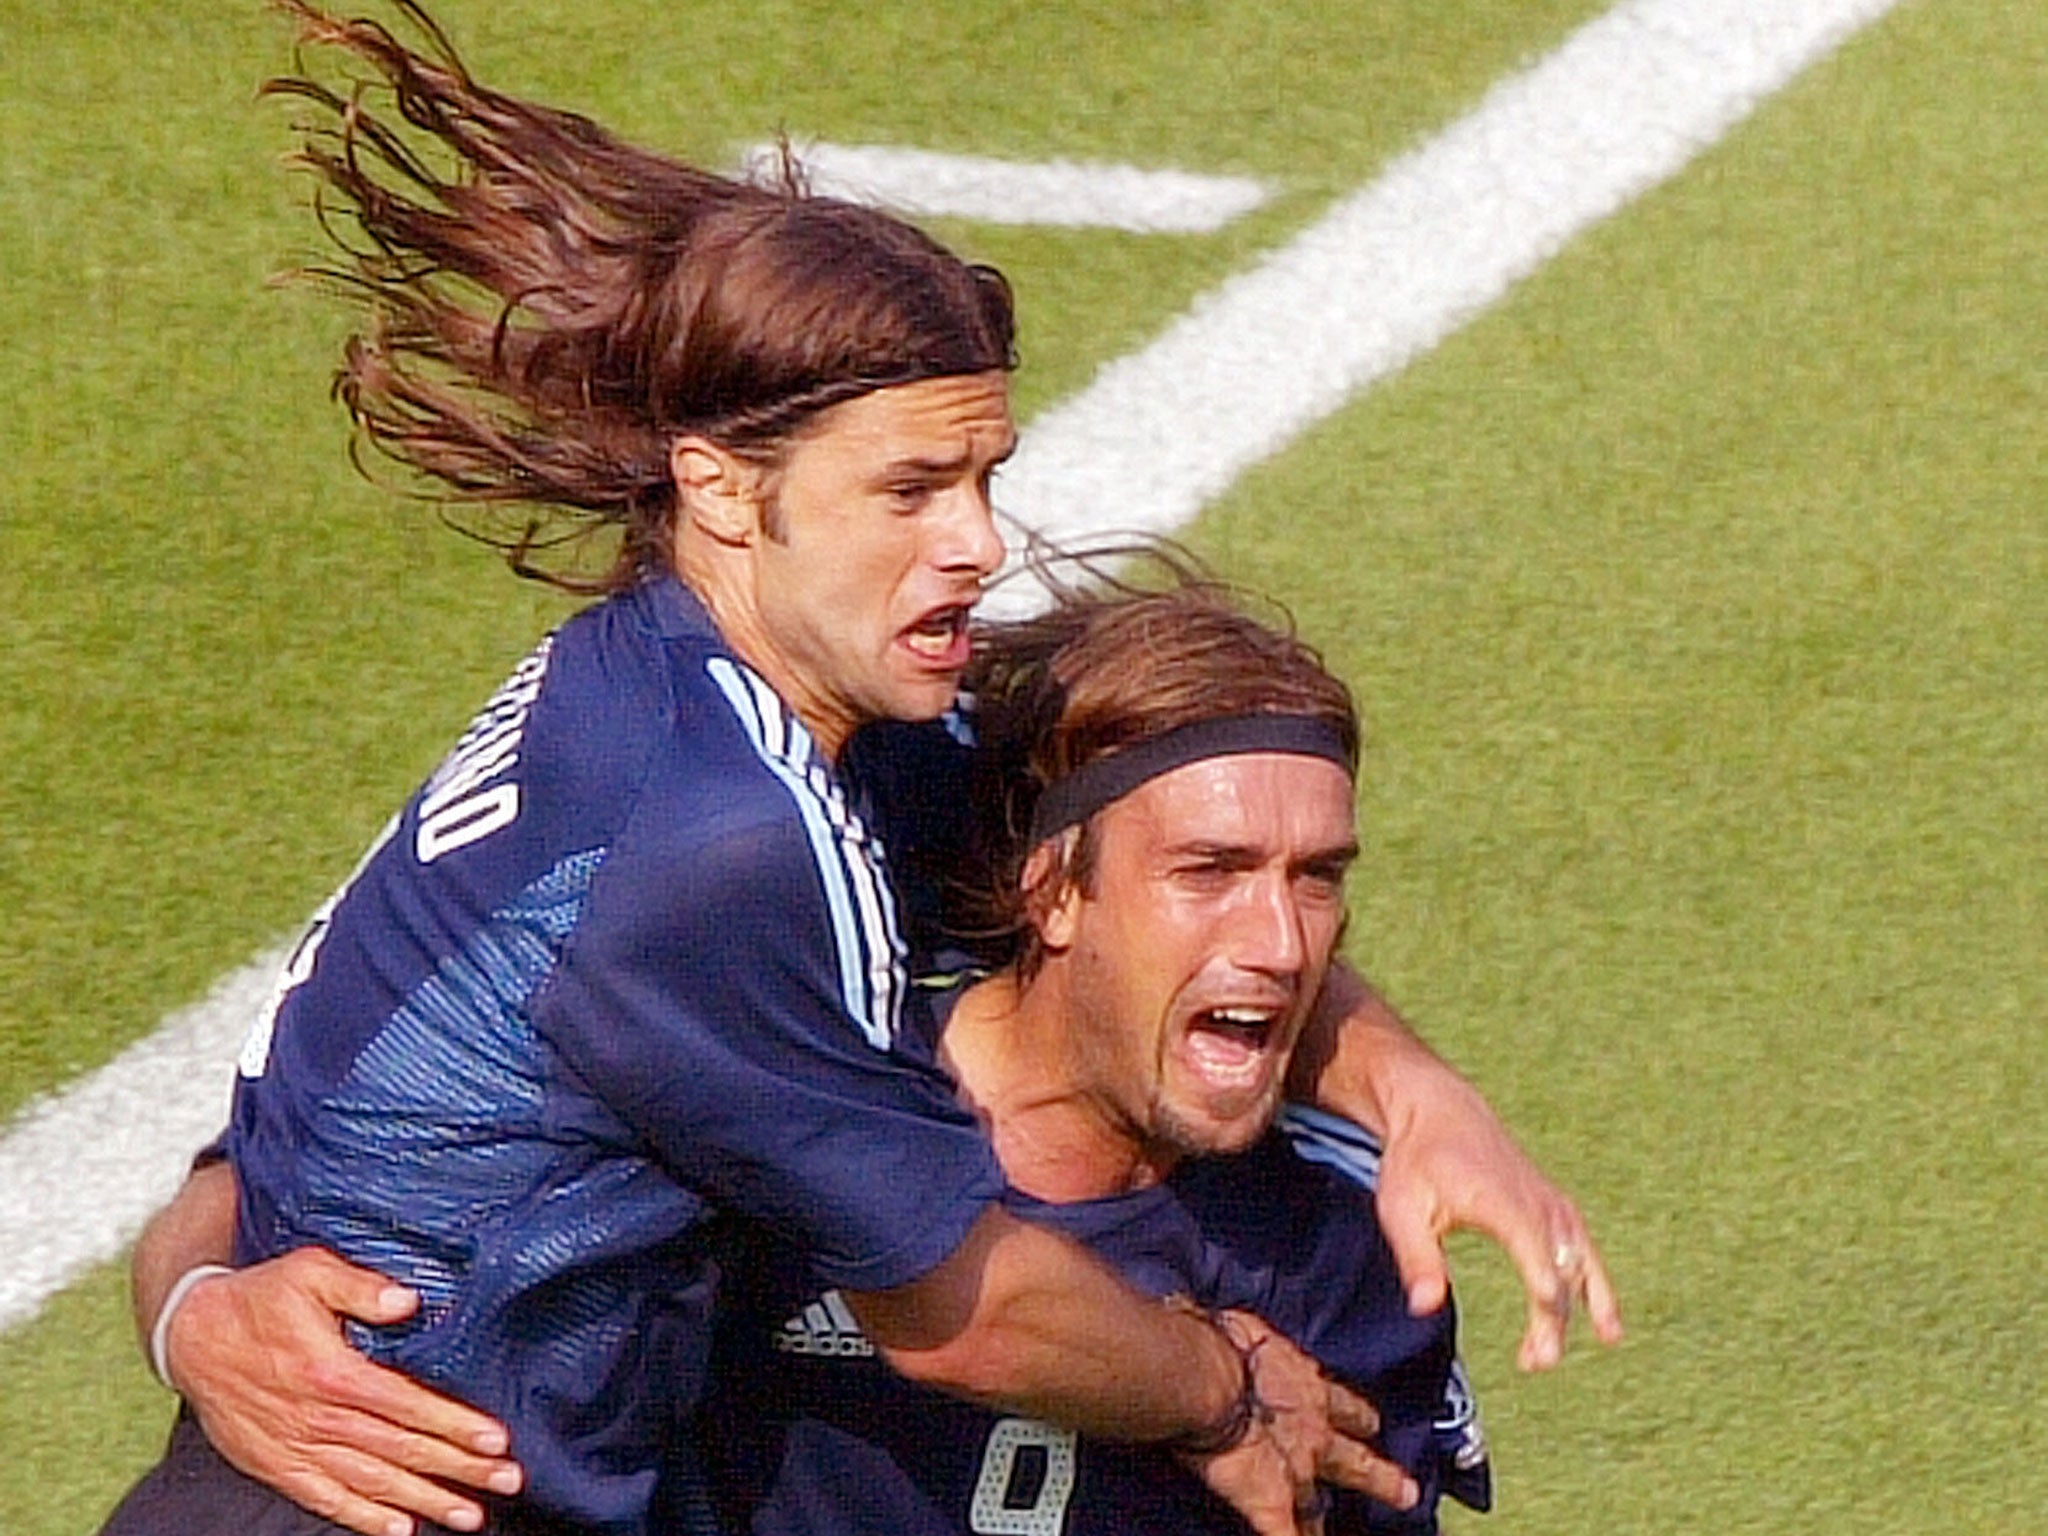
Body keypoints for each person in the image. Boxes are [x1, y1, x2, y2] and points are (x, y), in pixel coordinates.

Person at [106, 6, 1617, 1536]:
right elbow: (961, 1313)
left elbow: (1161, 874)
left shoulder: (666, 694)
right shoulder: (723, 836)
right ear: (722, 487)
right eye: (909, 490)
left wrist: (1413, 1088)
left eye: (983, 480)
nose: (973, 542)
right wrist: (1220, 1390)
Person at [697, 578, 1495, 1534]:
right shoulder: (785, 1119)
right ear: (1056, 893)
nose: (1282, 944)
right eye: (1210, 871)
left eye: (1316, 878)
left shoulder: (1343, 1239)